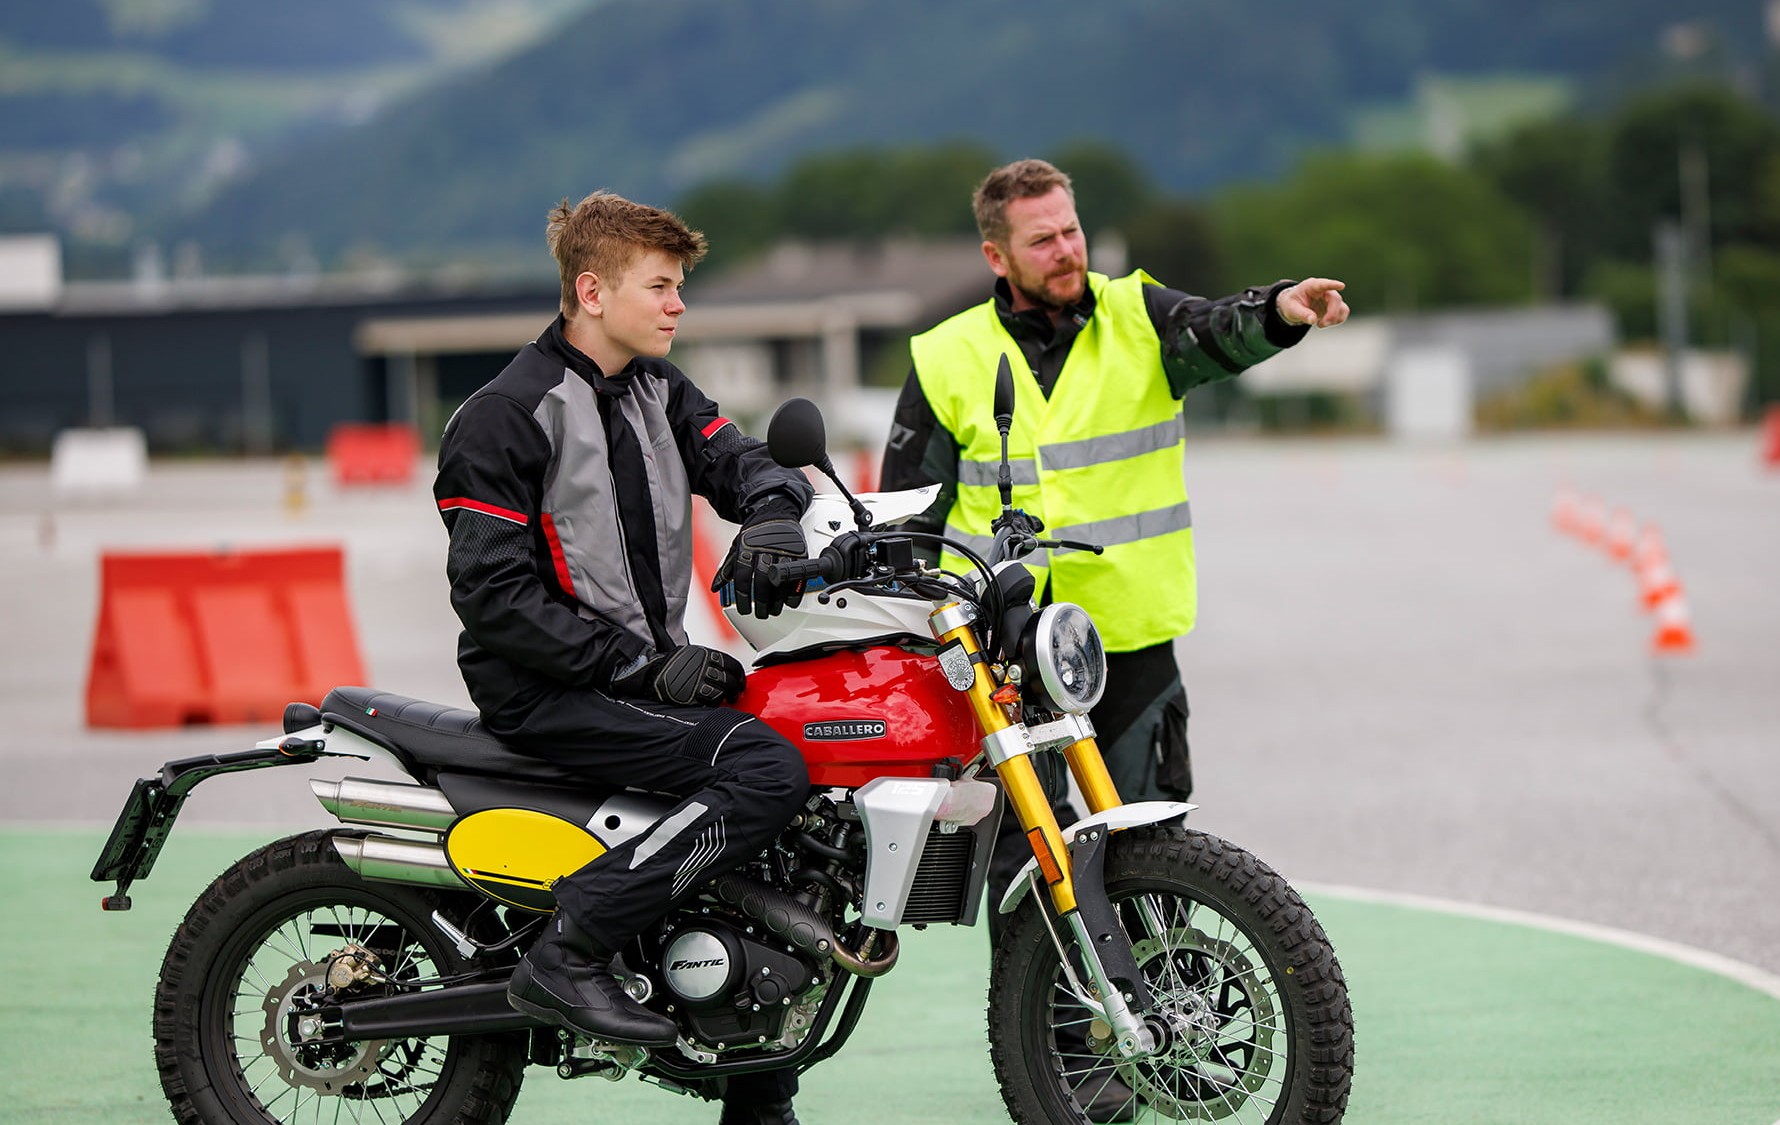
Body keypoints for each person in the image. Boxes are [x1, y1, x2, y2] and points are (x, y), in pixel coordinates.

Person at [881, 157, 1349, 1122]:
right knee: (1026, 869)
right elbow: (906, 516)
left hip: (1124, 651)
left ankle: (1161, 1032)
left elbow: (1220, 330)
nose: (1068, 249)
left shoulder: (1139, 317)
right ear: (997, 253)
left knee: (1145, 853)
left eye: (1073, 228)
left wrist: (1284, 311)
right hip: (1004, 659)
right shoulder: (946, 356)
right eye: (1044, 237)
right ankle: (1072, 1072)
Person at [433, 190, 814, 1125]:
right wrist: (639, 669)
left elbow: (741, 458)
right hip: (544, 689)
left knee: (789, 786)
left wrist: (771, 509)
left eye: (681, 285)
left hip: (637, 670)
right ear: (592, 290)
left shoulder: (661, 390)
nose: (679, 303)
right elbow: (493, 597)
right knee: (763, 767)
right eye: (662, 285)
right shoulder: (505, 416)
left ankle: (755, 1094)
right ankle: (569, 947)